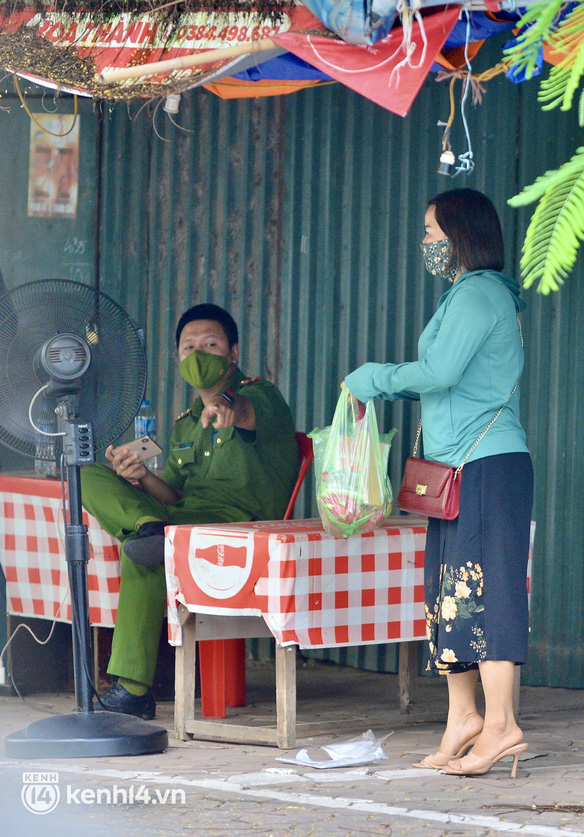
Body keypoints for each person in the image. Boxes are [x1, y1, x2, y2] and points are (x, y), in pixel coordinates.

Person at [343, 188, 533, 779]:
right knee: (449, 593)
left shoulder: (479, 294)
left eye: (431, 232)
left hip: (489, 467)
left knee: (488, 591)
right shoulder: (459, 296)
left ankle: (502, 725)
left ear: (461, 235)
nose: (425, 243)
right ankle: (463, 718)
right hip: (457, 469)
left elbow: (441, 372)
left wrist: (373, 377)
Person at [81, 303, 299, 719]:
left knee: (145, 555)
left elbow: (246, 411)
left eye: (211, 344)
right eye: (189, 346)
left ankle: (132, 690)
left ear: (232, 353)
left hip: (239, 529)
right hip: (183, 522)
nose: (198, 353)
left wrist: (226, 406)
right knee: (86, 474)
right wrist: (142, 475)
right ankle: (148, 530)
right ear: (177, 357)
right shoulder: (184, 424)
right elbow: (175, 497)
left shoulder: (260, 395)